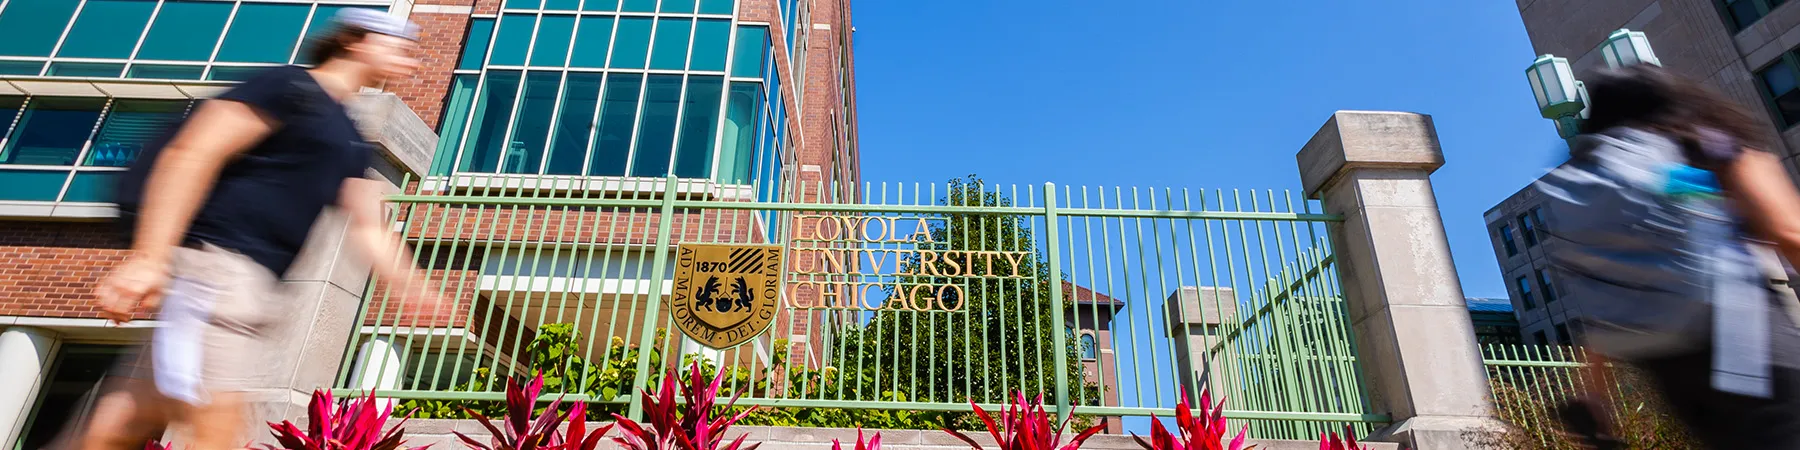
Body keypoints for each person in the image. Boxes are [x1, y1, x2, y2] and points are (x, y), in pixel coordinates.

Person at [67, 9, 442, 450]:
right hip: (216, 274)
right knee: (218, 428)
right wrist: (148, 258)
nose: (410, 60)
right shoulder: (286, 87)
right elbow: (191, 154)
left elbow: (368, 224)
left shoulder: (348, 136)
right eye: (397, 46)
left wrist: (413, 287)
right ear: (356, 41)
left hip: (250, 287)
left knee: (124, 422)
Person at [1540, 64, 1800, 448]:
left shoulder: (1591, 181)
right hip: (1751, 347)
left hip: (1674, 374)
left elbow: (1605, 302)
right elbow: (1787, 232)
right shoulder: (1700, 148)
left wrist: (1593, 394)